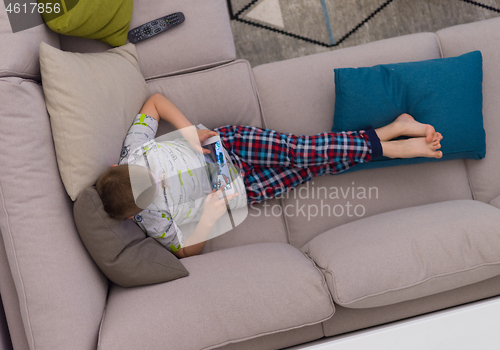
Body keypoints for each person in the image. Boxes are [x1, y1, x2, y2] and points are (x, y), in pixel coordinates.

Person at [96, 94, 443, 258]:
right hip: (243, 189)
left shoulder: (134, 150)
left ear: (118, 165)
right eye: (153, 190)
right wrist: (208, 219)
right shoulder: (153, 222)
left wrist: (188, 133)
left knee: (303, 152)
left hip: (230, 145)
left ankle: (396, 147)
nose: (157, 181)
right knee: (315, 167)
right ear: (132, 215)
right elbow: (185, 251)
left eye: (149, 175)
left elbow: (155, 102)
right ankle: (391, 130)